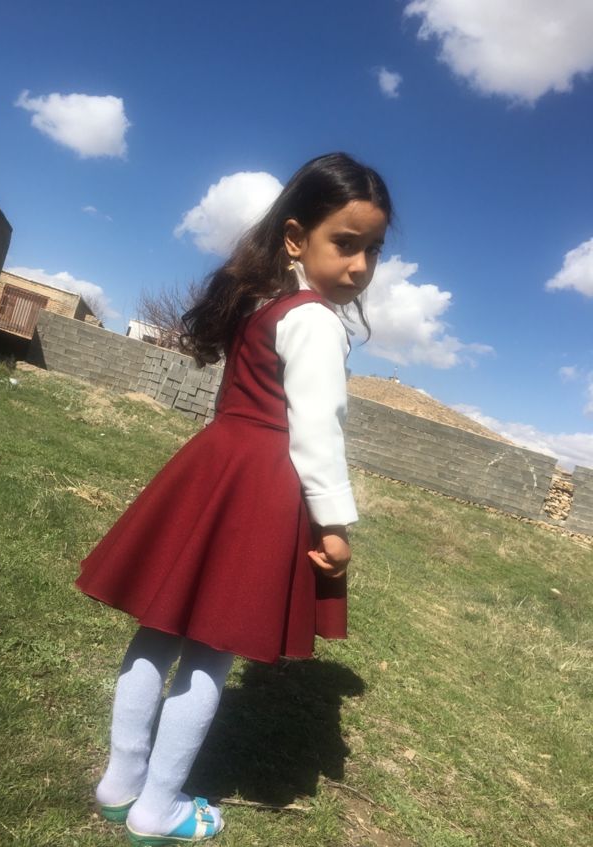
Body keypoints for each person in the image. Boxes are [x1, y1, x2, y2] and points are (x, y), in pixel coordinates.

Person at [76, 151, 392, 844]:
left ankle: (119, 783)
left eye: (373, 250)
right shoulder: (314, 320)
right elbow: (317, 430)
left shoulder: (261, 305)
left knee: (158, 631)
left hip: (214, 465)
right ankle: (158, 807)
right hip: (259, 487)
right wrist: (335, 523)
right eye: (346, 243)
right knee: (212, 649)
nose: (360, 266)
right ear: (295, 237)